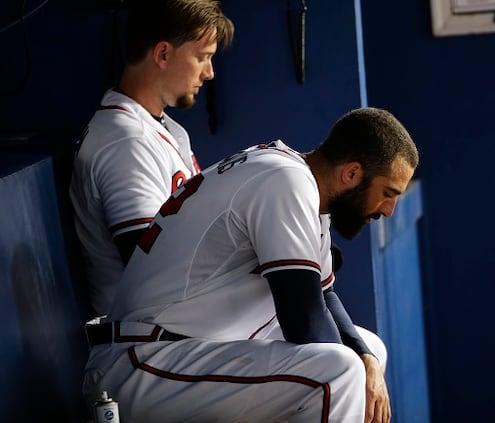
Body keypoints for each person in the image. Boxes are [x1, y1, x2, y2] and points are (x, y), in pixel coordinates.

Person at [83, 107, 419, 423]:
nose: (388, 209)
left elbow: (324, 296)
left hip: (185, 352)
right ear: (352, 172)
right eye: (388, 192)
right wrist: (360, 371)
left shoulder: (300, 184)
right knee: (340, 371)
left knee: (366, 350)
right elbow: (304, 321)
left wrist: (368, 362)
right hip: (142, 362)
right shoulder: (285, 180)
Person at [69, 0, 234, 317]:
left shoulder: (157, 128)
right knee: (336, 362)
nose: (210, 73)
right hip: (147, 342)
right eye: (202, 57)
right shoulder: (125, 142)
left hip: (180, 328)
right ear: (162, 54)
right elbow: (154, 273)